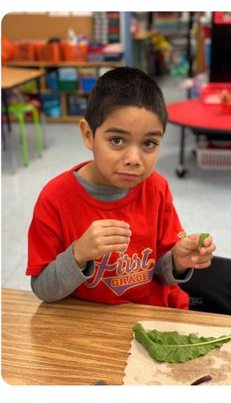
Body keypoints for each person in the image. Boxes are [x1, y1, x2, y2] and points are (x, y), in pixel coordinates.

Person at [26, 67, 215, 308]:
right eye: (117, 140)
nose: (134, 158)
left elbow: (159, 273)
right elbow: (44, 290)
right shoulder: (55, 198)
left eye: (149, 143)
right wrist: (79, 254)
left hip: (151, 317)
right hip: (88, 324)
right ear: (88, 135)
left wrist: (178, 261)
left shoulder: (156, 188)